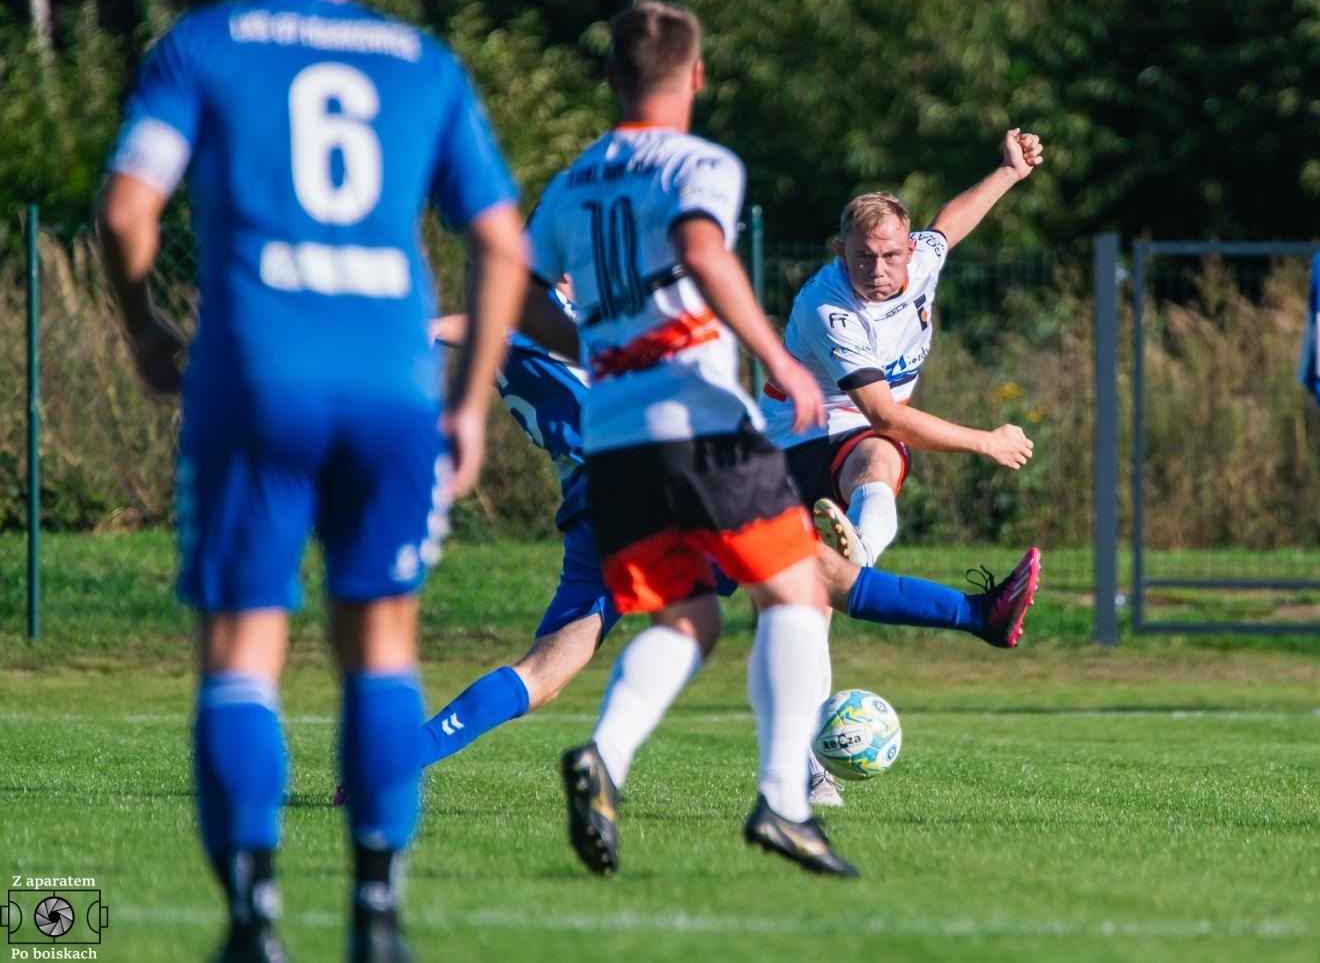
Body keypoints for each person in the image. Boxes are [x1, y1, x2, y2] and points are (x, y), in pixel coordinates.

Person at [96, 0, 527, 959]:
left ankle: (253, 917)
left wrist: (147, 328)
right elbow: (502, 247)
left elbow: (121, 210)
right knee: (380, 645)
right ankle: (377, 909)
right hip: (390, 385)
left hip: (254, 375)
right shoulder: (421, 60)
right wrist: (466, 402)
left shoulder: (204, 44)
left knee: (243, 650)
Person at [416, 292, 1043, 810]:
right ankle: (977, 616)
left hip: (593, 505)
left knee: (546, 670)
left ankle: (399, 760)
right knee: (810, 572)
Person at [514, 0, 857, 877]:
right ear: (697, 75)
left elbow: (517, 298)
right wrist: (779, 356)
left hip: (616, 440)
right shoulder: (699, 163)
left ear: (611, 80)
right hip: (700, 420)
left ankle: (605, 759)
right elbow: (703, 249)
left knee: (690, 614)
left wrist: (593, 343)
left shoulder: (572, 181)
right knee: (800, 592)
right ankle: (784, 801)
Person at [759, 131, 1046, 646]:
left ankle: (860, 553)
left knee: (875, 466)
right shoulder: (830, 309)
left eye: (891, 256)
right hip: (794, 445)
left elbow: (947, 227)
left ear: (909, 250)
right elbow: (884, 416)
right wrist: (986, 441)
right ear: (839, 252)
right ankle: (861, 559)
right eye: (863, 257)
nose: (878, 270)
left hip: (855, 437)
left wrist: (1008, 172)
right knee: (800, 615)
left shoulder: (920, 261)